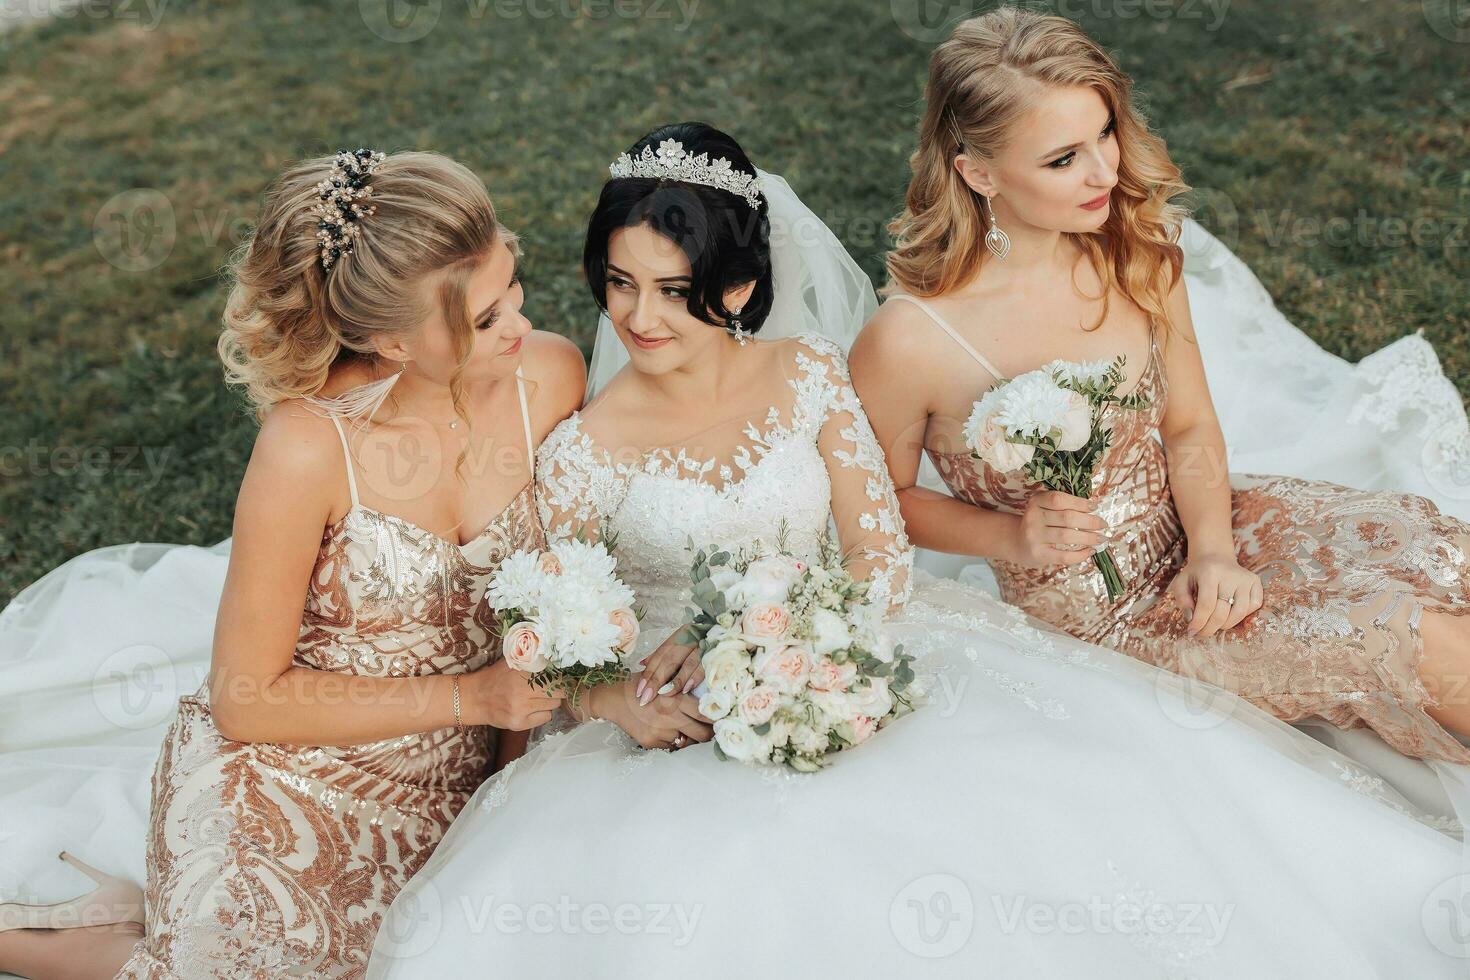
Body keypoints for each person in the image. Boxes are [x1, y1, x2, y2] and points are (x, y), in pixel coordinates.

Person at [0, 149, 585, 978]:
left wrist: (507, 758)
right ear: (388, 340)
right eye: (485, 320)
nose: (520, 326)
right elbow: (250, 700)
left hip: (475, 773)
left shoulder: (551, 380)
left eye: (512, 287)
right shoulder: (307, 448)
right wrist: (472, 696)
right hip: (291, 774)